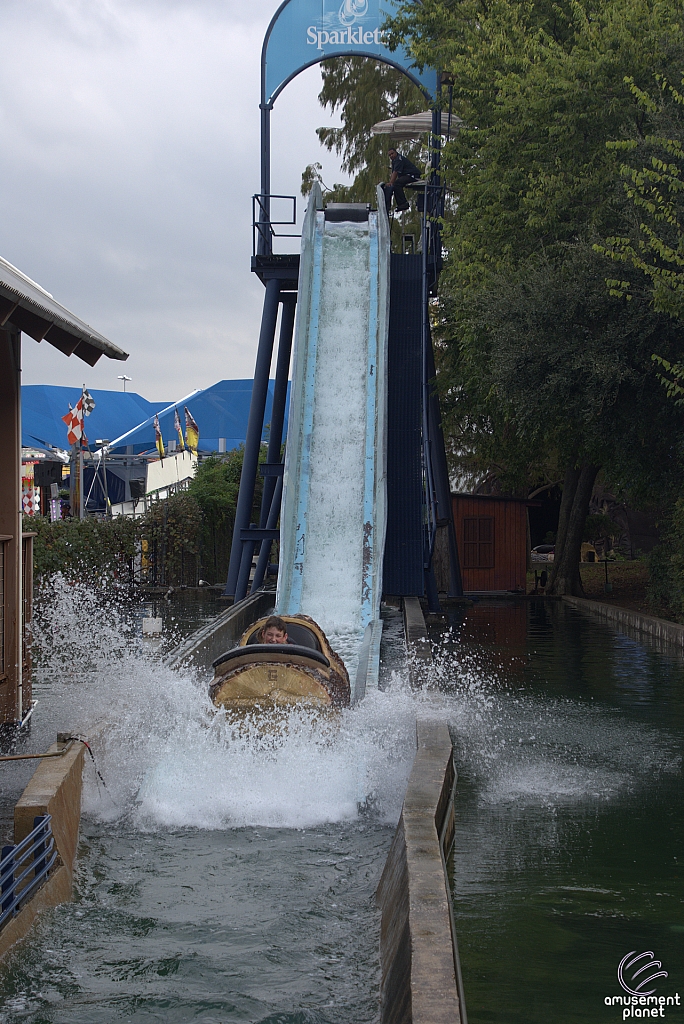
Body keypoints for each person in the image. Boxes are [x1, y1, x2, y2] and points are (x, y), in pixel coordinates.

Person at [381, 148, 421, 214]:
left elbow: (395, 172)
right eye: (389, 155)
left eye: (392, 153)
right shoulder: (394, 161)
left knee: (396, 183)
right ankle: (401, 203)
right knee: (396, 183)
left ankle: (403, 203)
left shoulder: (398, 160)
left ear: (396, 152)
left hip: (413, 176)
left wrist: (391, 183)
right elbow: (394, 172)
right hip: (407, 176)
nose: (391, 156)